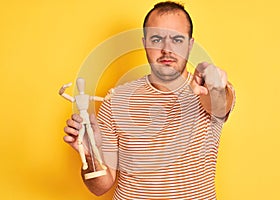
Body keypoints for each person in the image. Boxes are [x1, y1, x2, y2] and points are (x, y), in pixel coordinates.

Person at [63, 1, 235, 199]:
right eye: (157, 39)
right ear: (145, 43)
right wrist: (89, 153)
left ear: (190, 44)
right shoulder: (115, 100)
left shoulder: (209, 92)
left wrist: (215, 85)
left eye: (177, 39)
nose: (167, 49)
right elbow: (100, 187)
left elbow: (219, 106)